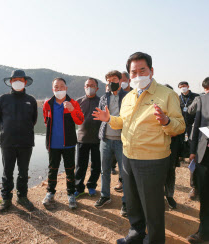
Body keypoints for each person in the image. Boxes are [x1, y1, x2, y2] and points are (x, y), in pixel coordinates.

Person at [93, 52, 185, 244]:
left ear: (151, 71)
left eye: (142, 70)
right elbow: (123, 124)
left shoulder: (167, 95)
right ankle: (136, 234)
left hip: (152, 159)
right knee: (133, 201)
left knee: (152, 205)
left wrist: (167, 121)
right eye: (133, 72)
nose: (137, 75)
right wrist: (109, 119)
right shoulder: (129, 97)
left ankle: (154, 239)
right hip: (128, 155)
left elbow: (180, 126)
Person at [0, 70, 38, 213]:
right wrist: (6, 128)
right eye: (15, 79)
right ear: (11, 82)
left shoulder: (31, 100)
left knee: (23, 172)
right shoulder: (2, 99)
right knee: (7, 172)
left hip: (26, 142)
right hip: (7, 142)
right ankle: (6, 200)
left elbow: (34, 120)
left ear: (25, 82)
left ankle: (22, 197)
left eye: (20, 79)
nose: (18, 82)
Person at [42, 77, 84, 209]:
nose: (59, 89)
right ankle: (50, 193)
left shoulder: (73, 103)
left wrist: (72, 110)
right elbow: (45, 121)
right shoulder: (47, 104)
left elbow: (80, 121)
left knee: (70, 170)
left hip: (69, 144)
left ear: (66, 88)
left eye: (61, 86)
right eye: (56, 87)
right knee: (52, 170)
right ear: (53, 89)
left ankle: (71, 194)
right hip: (53, 144)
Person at [95, 70, 128, 217]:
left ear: (120, 80)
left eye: (114, 79)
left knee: (125, 172)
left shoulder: (127, 97)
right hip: (106, 139)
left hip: (122, 140)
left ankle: (126, 202)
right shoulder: (104, 97)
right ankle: (105, 195)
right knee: (105, 170)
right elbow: (102, 116)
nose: (111, 82)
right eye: (108, 80)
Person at [187, 77, 209, 243]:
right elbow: (197, 126)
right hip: (205, 156)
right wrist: (193, 151)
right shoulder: (202, 99)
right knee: (206, 196)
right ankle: (204, 232)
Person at [74, 78, 101, 198]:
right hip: (82, 139)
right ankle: (79, 188)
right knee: (80, 165)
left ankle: (91, 186)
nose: (89, 87)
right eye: (87, 85)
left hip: (98, 139)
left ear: (97, 88)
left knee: (96, 165)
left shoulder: (101, 101)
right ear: (84, 87)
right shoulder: (78, 101)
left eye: (92, 85)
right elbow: (72, 118)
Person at [178, 81, 200, 200]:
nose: (183, 88)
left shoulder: (196, 97)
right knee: (182, 141)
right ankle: (182, 155)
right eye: (181, 87)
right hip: (184, 123)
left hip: (194, 125)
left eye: (184, 86)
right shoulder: (178, 98)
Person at [163, 84, 183, 209]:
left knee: (170, 171)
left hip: (173, 145)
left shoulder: (177, 110)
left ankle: (169, 195)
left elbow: (181, 128)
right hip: (157, 146)